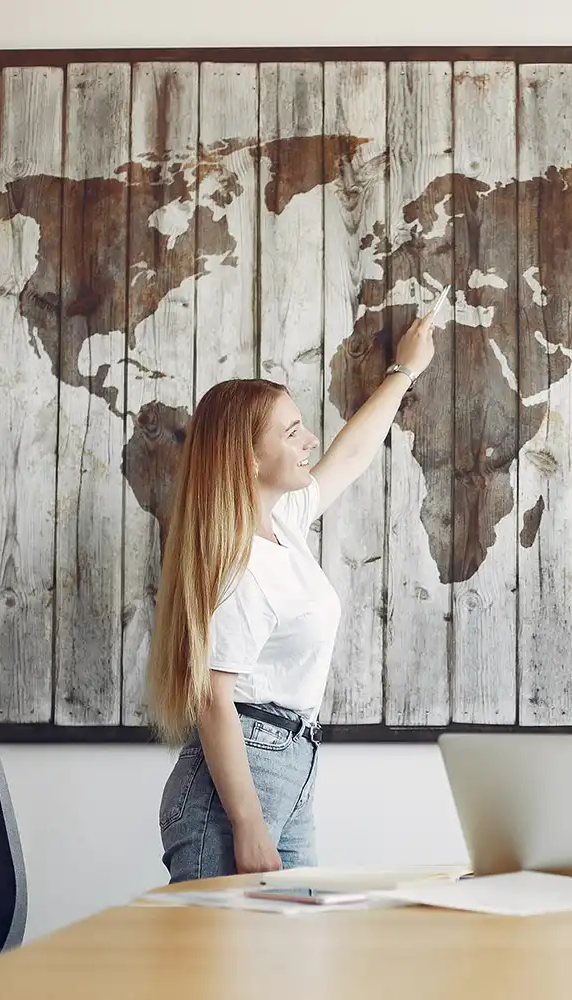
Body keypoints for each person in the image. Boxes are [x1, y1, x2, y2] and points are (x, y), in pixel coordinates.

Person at [148, 303, 439, 882]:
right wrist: (247, 822)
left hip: (289, 761)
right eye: (291, 432)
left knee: (291, 954)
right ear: (249, 458)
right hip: (239, 784)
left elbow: (351, 455)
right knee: (221, 969)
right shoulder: (239, 565)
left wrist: (404, 372)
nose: (309, 440)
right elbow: (212, 699)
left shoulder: (280, 525)